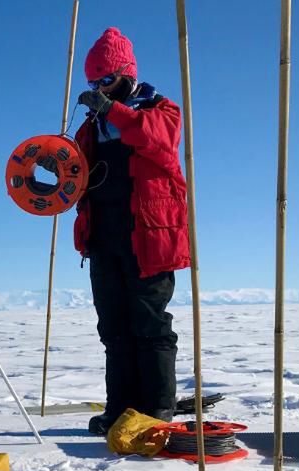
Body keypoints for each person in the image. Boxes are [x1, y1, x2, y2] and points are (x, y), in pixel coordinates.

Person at [70, 27, 190, 435]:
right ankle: (119, 408)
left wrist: (111, 110)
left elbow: (157, 140)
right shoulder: (91, 127)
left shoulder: (161, 110)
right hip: (103, 236)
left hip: (150, 237)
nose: (100, 89)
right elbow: (75, 173)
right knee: (114, 328)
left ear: (126, 73)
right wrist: (58, 166)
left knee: (150, 323)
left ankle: (157, 408)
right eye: (93, 84)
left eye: (105, 81)